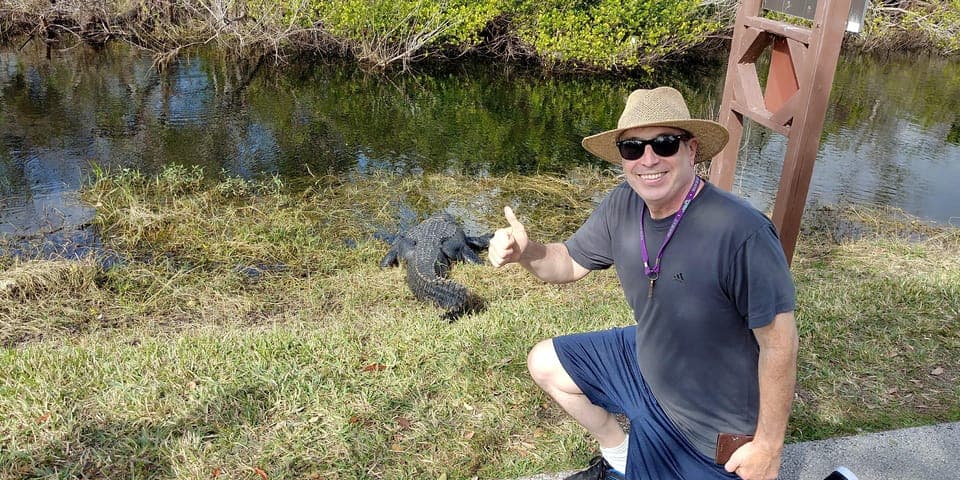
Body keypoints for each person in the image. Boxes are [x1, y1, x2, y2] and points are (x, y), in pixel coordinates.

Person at [488, 86, 798, 480]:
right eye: (633, 148)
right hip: (647, 364)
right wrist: (527, 251)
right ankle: (620, 454)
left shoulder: (741, 232)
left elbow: (779, 343)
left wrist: (768, 449)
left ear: (692, 149)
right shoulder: (623, 204)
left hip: (707, 429)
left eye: (664, 144)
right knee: (545, 362)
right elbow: (566, 264)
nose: (648, 159)